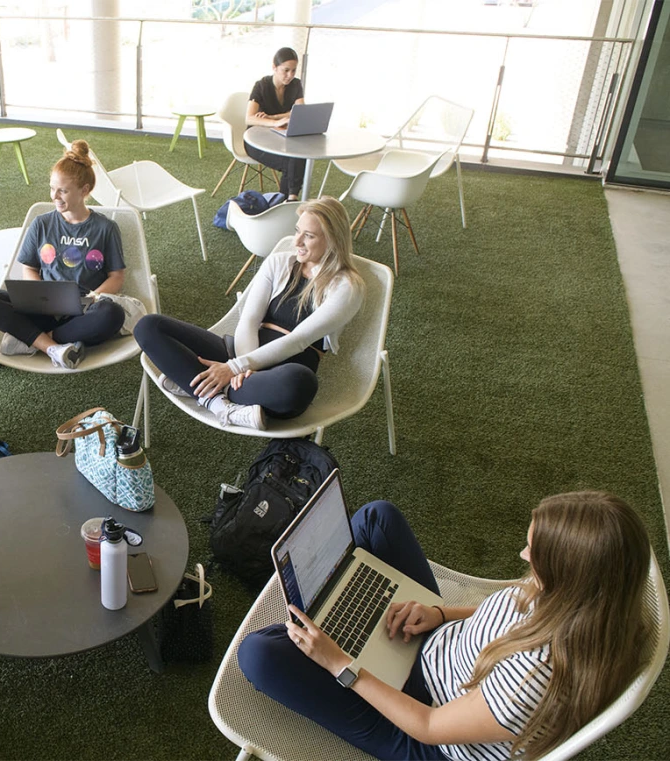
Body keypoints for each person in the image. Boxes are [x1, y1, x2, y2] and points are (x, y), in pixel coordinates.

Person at [237, 492, 652, 761]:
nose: (523, 554)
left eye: (534, 553)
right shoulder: (580, 599)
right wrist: (438, 614)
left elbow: (431, 728)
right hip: (444, 648)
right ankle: (345, 603)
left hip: (428, 727)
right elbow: (499, 611)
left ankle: (339, 628)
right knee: (378, 518)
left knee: (260, 654)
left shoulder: (537, 677)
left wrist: (341, 665)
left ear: (569, 575)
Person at [134, 196, 363, 431]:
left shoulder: (347, 287)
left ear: (334, 240)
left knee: (300, 383)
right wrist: (239, 366)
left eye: (309, 236)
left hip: (278, 375)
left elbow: (299, 340)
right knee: (148, 326)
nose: (297, 241)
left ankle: (190, 381)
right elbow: (250, 319)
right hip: (239, 354)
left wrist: (238, 369)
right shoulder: (279, 262)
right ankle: (218, 403)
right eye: (297, 231)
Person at [0, 140, 127, 370]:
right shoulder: (41, 224)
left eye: (63, 191)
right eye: (52, 188)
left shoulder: (105, 228)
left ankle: (33, 340)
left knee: (112, 314)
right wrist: (37, 297)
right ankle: (55, 347)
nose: (55, 196)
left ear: (84, 190)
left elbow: (117, 276)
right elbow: (30, 268)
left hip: (82, 310)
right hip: (43, 307)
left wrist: (92, 298)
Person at [245, 47, 308, 200]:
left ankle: (288, 199)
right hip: (256, 142)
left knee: (299, 157)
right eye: (286, 70)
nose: (290, 75)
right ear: (274, 67)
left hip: (282, 140)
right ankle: (289, 199)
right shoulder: (261, 85)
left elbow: (300, 112)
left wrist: (273, 117)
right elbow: (249, 118)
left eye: (293, 70)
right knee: (294, 162)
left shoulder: (295, 84)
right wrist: (276, 122)